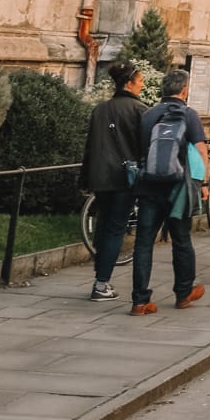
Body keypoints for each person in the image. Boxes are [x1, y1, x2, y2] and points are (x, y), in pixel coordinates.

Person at [130, 66, 208, 315]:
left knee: (143, 243)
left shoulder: (148, 115)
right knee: (182, 240)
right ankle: (183, 293)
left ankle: (140, 301)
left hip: (148, 186)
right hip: (178, 189)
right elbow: (201, 150)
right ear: (184, 90)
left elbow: (140, 150)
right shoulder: (189, 115)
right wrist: (203, 184)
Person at [80, 58, 145, 302]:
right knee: (116, 230)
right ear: (129, 83)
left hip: (100, 177)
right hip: (123, 179)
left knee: (104, 226)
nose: (141, 86)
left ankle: (100, 275)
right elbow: (144, 147)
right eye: (140, 82)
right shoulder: (140, 110)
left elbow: (90, 147)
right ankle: (101, 283)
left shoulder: (100, 109)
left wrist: (85, 179)